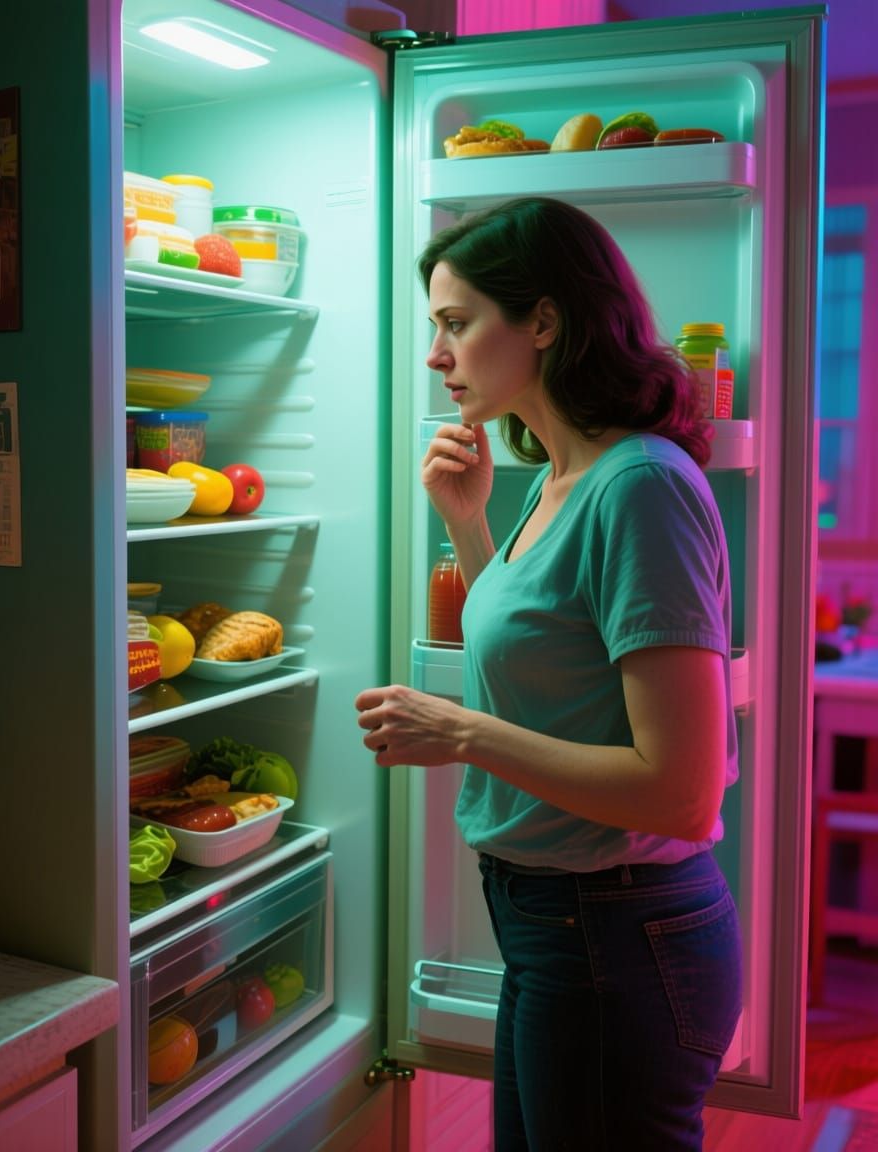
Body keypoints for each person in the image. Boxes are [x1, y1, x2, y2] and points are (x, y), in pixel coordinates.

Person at [355, 196, 742, 1151]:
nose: (437, 354)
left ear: (544, 320)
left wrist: (457, 733)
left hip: (616, 933)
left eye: (456, 323)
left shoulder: (639, 486)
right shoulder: (555, 482)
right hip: (553, 928)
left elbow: (682, 792)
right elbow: (545, 672)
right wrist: (466, 521)